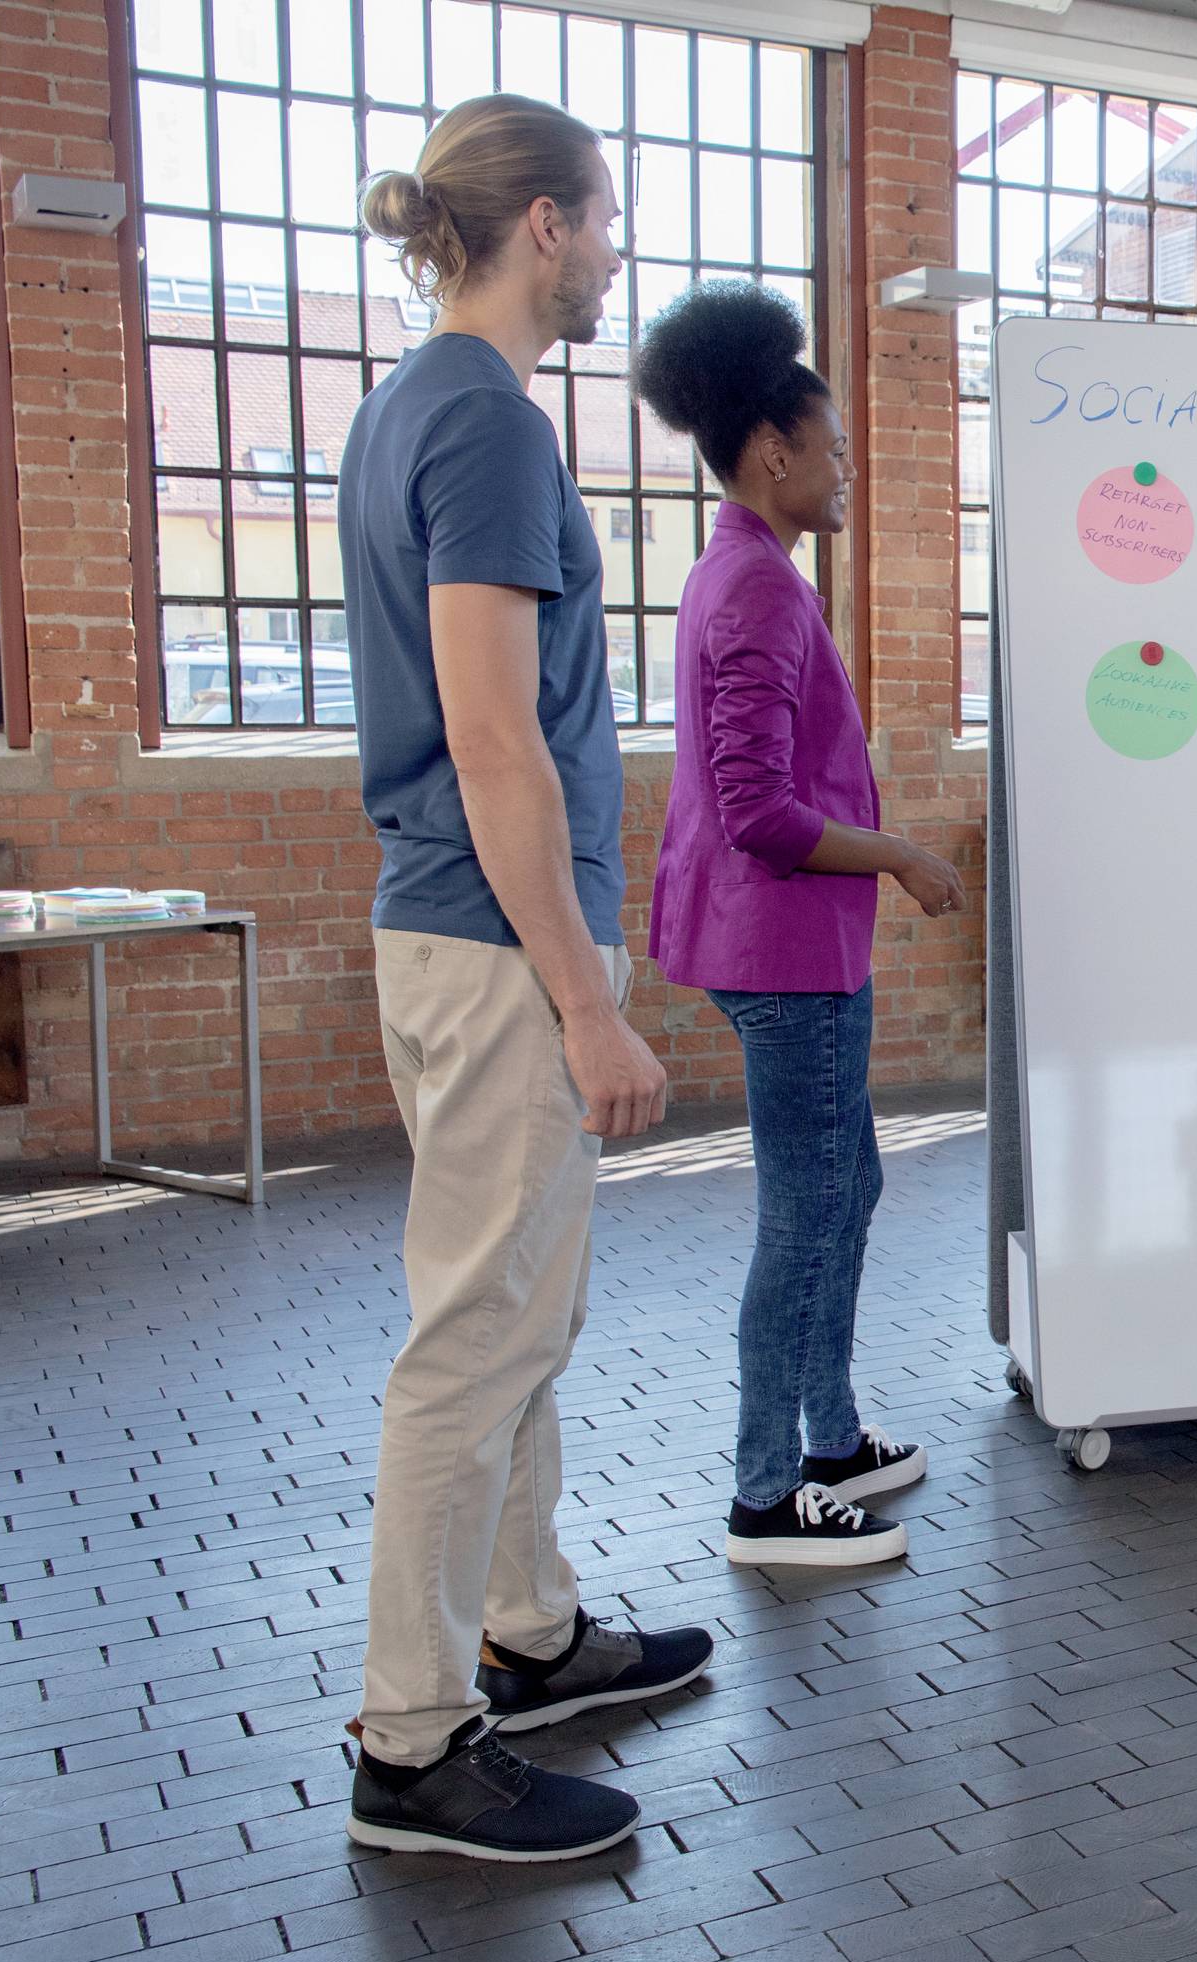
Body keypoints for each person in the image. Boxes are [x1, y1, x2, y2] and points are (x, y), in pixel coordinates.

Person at [338, 94, 710, 1863]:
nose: (617, 250)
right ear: (546, 225)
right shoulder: (481, 420)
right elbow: (494, 741)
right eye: (608, 217)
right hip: (497, 945)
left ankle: (533, 1633)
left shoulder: (419, 402)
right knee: (476, 1341)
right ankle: (413, 1746)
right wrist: (582, 995)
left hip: (466, 930)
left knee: (521, 1319)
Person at [631, 282, 966, 1567]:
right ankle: (768, 1492)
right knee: (809, 1205)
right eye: (832, 449)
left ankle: (829, 1440)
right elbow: (763, 809)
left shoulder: (745, 568)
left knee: (848, 1182)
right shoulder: (758, 588)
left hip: (785, 943)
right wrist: (903, 858)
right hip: (782, 946)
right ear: (773, 449)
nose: (846, 472)